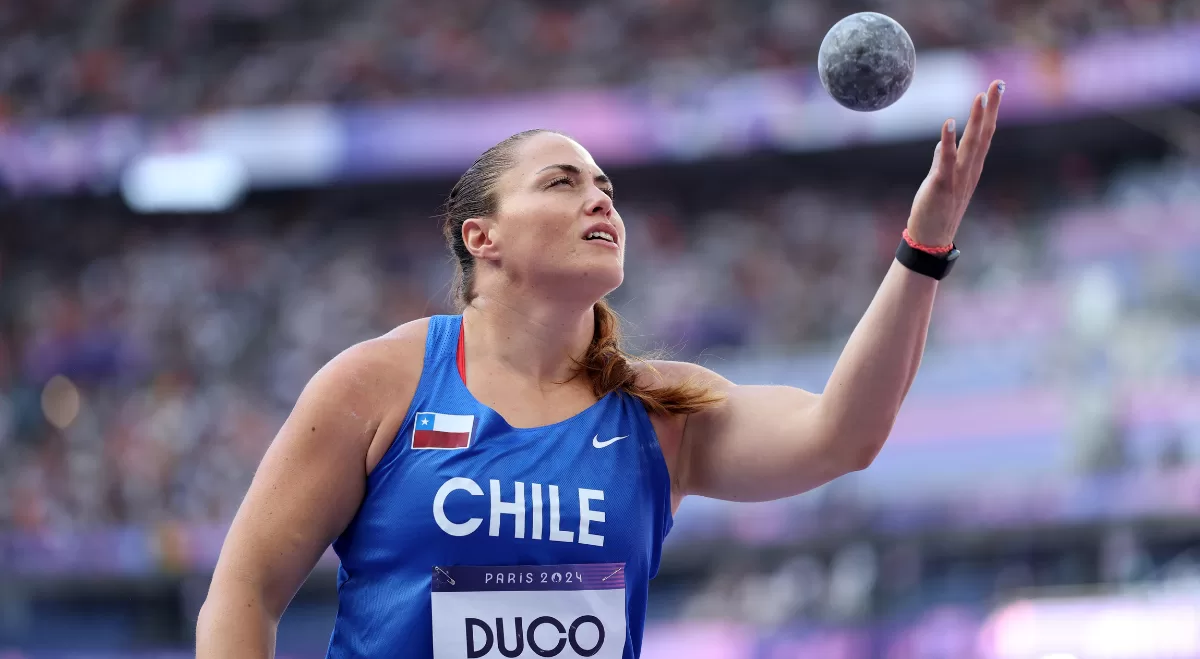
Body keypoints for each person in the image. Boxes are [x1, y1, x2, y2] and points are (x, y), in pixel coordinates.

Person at [196, 80, 1005, 658]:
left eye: (606, 186)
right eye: (563, 182)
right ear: (484, 238)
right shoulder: (378, 382)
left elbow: (843, 434)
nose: (601, 200)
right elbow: (243, 594)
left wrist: (923, 249)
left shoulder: (657, 410)